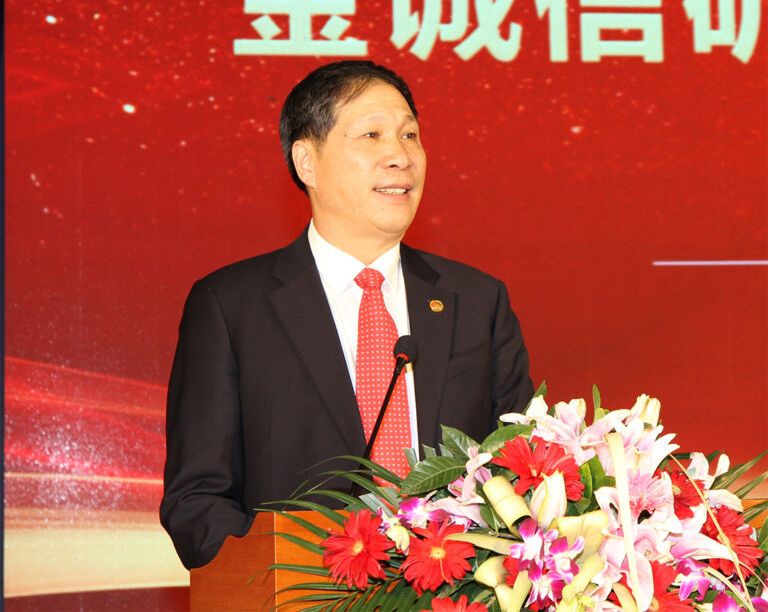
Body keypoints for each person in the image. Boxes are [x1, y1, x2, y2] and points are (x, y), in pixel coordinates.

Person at [160, 60, 534, 570]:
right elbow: (197, 502)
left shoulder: (477, 301)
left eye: (409, 135)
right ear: (306, 162)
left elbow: (521, 469)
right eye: (372, 135)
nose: (400, 156)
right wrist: (306, 576)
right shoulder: (232, 307)